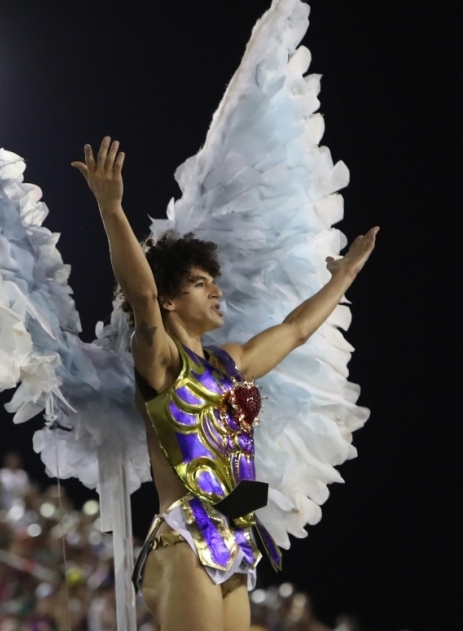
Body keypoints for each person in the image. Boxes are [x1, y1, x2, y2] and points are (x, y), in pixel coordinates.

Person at [73, 137, 378, 631]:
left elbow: (296, 330)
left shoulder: (230, 363)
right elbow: (142, 292)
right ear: (171, 301)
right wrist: (112, 209)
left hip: (235, 543)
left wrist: (342, 278)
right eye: (199, 283)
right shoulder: (161, 362)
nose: (216, 290)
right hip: (182, 540)